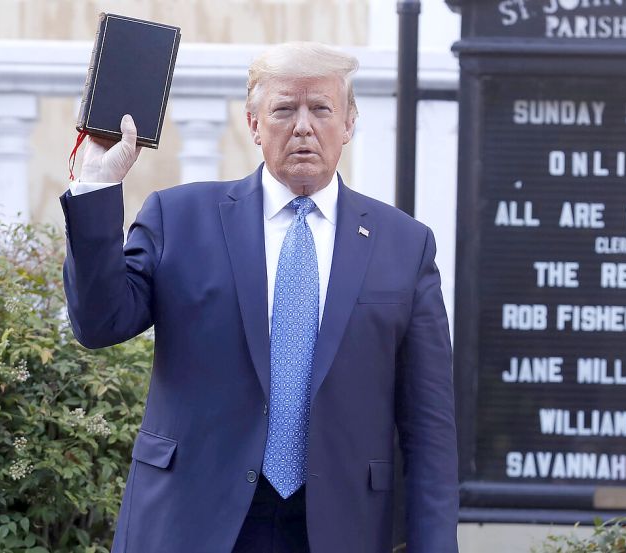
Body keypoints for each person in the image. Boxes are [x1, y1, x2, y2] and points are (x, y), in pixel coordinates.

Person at [60, 42, 459, 553]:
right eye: (284, 109)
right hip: (192, 520)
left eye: (321, 109)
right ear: (253, 125)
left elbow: (429, 429)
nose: (303, 126)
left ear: (349, 123)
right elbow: (99, 323)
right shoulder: (179, 218)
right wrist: (97, 183)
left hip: (340, 526)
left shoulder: (404, 244)